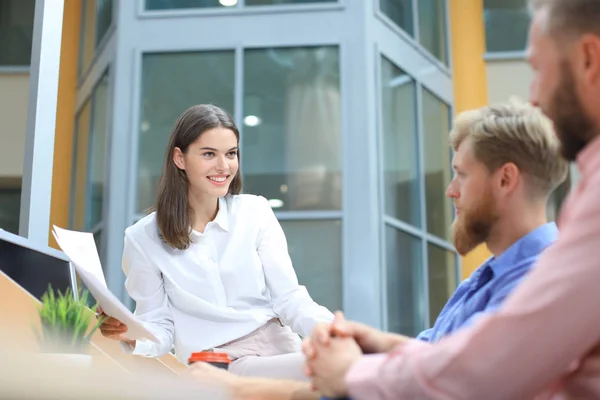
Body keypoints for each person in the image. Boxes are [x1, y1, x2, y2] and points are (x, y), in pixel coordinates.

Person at [304, 0, 600, 398]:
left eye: (537, 70)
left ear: (588, 58)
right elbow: (456, 356)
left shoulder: (542, 259)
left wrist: (353, 374)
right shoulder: (488, 274)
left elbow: (493, 369)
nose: (534, 95)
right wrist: (376, 344)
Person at [188, 99, 569, 399]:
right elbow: (441, 359)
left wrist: (251, 391)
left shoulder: (537, 287)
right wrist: (376, 341)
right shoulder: (490, 277)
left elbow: (453, 386)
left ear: (505, 179)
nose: (451, 190)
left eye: (462, 175)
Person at [98, 104, 333, 380]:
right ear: (179, 158)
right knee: (334, 373)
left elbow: (289, 298)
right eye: (209, 154)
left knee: (349, 364)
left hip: (278, 346)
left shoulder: (255, 212)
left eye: (231, 154)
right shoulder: (143, 238)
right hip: (216, 362)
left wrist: (333, 331)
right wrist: (131, 335)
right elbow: (160, 327)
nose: (224, 166)